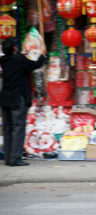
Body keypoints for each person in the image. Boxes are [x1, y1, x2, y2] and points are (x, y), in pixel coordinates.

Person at [0, 37, 46, 166]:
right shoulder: (20, 60)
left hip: (5, 99)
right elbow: (35, 64)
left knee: (7, 129)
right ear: (15, 48)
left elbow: (16, 61)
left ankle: (9, 158)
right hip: (17, 98)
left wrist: (21, 56)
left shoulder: (4, 60)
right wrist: (42, 53)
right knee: (18, 127)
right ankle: (15, 159)